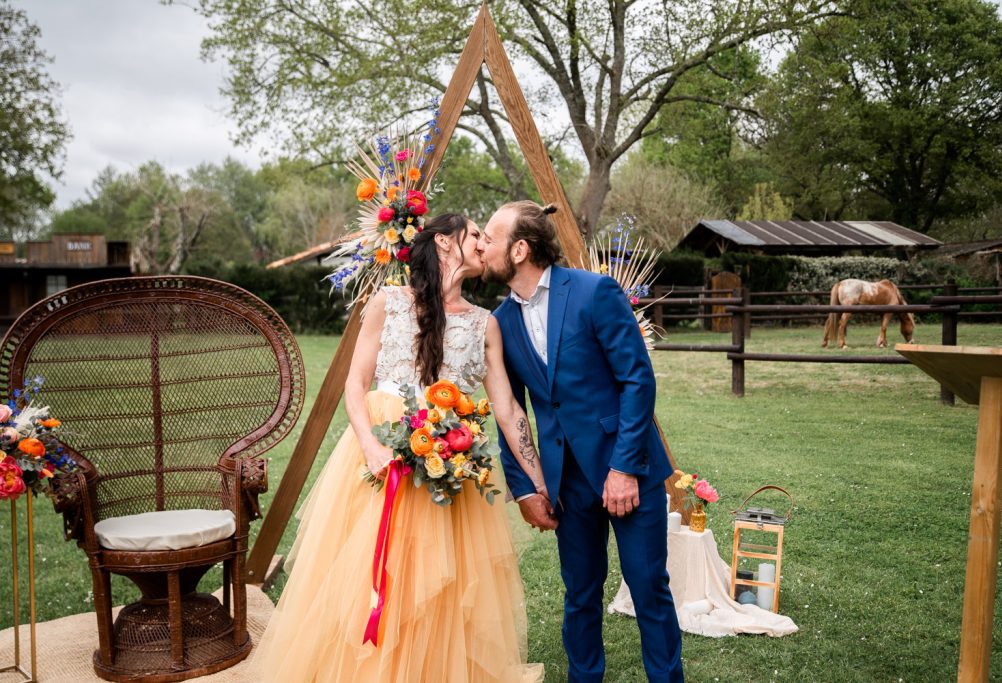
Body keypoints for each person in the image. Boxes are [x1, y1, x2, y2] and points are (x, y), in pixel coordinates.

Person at [254, 213, 545, 682]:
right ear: (446, 244)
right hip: (382, 454)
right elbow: (355, 382)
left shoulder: (485, 324)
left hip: (452, 459)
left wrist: (540, 482)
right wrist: (370, 443)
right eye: (475, 235)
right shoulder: (386, 303)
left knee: (445, 584)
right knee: (374, 573)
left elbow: (509, 410)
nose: (483, 243)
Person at [478, 201, 685, 683]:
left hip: (626, 470)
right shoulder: (501, 321)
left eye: (491, 237)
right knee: (580, 595)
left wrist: (624, 469)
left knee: (649, 588)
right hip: (565, 485)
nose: (483, 246)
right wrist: (526, 488)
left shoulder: (595, 292)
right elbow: (511, 411)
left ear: (521, 249)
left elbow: (638, 380)